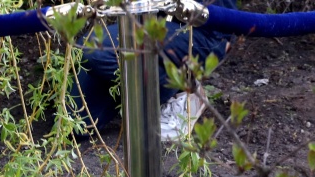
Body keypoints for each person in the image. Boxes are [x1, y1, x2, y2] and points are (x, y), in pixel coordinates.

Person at [70, 0, 237, 140]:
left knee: (95, 50)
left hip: (202, 29)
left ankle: (182, 89)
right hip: (147, 19)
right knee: (76, 124)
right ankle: (146, 82)